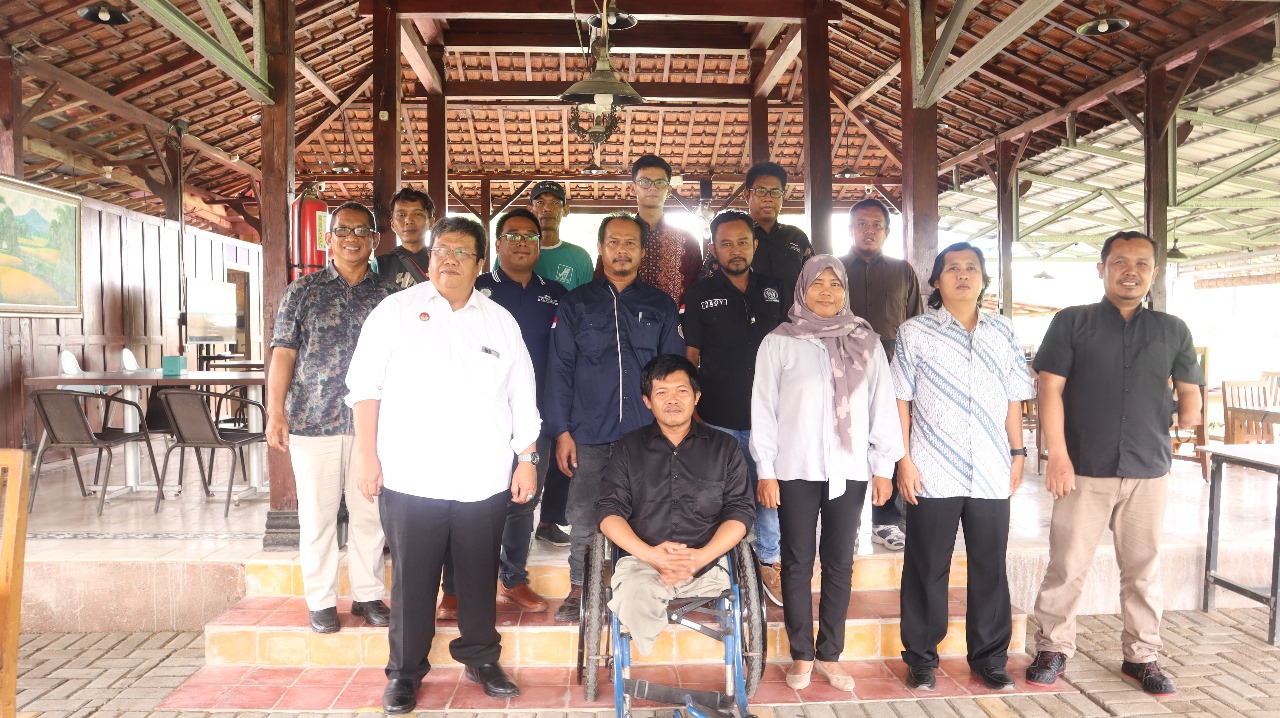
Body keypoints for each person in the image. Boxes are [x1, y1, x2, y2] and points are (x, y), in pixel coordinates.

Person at [346, 216, 540, 713]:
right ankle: (405, 672)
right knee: (412, 580)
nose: (447, 258)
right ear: (429, 258)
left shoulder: (500, 321)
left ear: (480, 263)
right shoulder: (395, 311)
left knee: (477, 575)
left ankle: (480, 657)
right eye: (440, 250)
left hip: (483, 477)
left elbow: (523, 397)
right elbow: (365, 388)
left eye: (460, 252)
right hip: (412, 476)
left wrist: (526, 459)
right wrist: (366, 456)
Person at [1026, 231, 1203, 697]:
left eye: (1142, 263)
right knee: (1068, 563)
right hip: (1084, 466)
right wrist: (1058, 457)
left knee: (1143, 568)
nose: (1131, 271)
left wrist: (1187, 409)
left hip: (1148, 468)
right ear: (1101, 268)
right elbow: (1050, 390)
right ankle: (1054, 647)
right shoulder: (1072, 322)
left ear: (1154, 273)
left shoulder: (1172, 329)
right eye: (1120, 261)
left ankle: (1141, 656)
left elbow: (1190, 391)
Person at [750, 256, 903, 693]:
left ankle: (830, 653)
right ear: (802, 288)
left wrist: (883, 468)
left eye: (835, 284)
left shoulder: (865, 342)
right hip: (794, 469)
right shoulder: (778, 342)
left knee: (839, 562)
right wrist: (766, 470)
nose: (826, 292)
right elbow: (763, 410)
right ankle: (802, 654)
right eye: (817, 283)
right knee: (797, 562)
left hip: (850, 469)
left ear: (845, 291)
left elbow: (882, 407)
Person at [890, 242, 1036, 692]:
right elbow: (900, 399)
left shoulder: (1004, 332)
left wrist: (1018, 453)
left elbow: (1014, 398)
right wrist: (903, 461)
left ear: (984, 279)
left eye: (971, 268)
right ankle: (921, 658)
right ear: (936, 280)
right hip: (932, 467)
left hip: (992, 467)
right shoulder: (914, 332)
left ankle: (989, 658)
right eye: (952, 268)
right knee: (925, 565)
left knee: (989, 565)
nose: (962, 275)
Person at [545, 213, 684, 623]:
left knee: (650, 512)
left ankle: (640, 588)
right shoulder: (575, 304)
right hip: (588, 432)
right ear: (600, 249)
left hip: (646, 434)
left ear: (642, 251)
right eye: (613, 243)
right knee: (585, 513)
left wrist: (672, 427)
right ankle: (579, 590)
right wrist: (562, 431)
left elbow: (672, 372)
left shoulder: (659, 304)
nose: (621, 251)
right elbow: (560, 368)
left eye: (630, 243)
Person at [266, 201, 393, 635]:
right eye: (343, 230)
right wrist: (275, 410)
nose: (352, 238)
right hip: (311, 420)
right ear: (329, 239)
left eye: (362, 231)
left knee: (369, 515)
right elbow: (283, 352)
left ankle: (367, 596)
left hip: (372, 426)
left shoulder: (390, 296)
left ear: (376, 240)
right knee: (317, 517)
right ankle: (320, 602)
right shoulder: (302, 292)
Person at [435, 208, 568, 620]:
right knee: (465, 499)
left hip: (534, 417)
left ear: (540, 242)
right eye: (512, 235)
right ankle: (454, 588)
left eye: (530, 235)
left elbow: (564, 360)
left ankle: (512, 578)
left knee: (522, 501)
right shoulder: (475, 288)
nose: (522, 242)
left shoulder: (557, 294)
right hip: (479, 420)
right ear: (495, 245)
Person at [596, 354, 755, 655]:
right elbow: (608, 511)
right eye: (661, 392)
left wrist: (699, 557)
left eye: (681, 391)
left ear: (696, 396)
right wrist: (652, 556)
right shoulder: (628, 449)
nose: (672, 400)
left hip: (707, 566)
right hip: (644, 563)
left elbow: (740, 511)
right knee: (632, 598)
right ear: (647, 401)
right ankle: (645, 662)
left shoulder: (725, 448)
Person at [679, 210, 786, 606]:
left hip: (769, 418)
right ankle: (716, 571)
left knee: (768, 492)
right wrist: (693, 412)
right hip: (717, 417)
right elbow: (691, 355)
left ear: (755, 245)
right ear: (714, 247)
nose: (735, 250)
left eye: (743, 242)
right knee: (715, 496)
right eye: (725, 243)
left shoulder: (776, 289)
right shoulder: (700, 293)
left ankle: (769, 562)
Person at [840, 197, 923, 553]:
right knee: (844, 441)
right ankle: (844, 523)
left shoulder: (903, 271)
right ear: (850, 228)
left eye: (876, 225)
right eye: (862, 223)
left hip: (891, 365)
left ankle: (886, 521)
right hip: (841, 365)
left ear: (887, 232)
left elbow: (914, 324)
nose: (869, 230)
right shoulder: (834, 269)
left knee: (888, 438)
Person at [514, 180, 594, 548]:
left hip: (563, 363)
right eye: (539, 201)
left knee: (562, 438)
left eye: (554, 202)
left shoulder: (578, 257)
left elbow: (586, 306)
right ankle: (512, 525)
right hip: (519, 369)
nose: (546, 207)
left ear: (566, 208)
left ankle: (550, 519)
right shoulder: (516, 249)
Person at [705, 161, 812, 312]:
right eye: (761, 191)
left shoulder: (796, 237)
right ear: (747, 194)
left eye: (775, 192)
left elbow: (815, 281)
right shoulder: (731, 235)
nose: (768, 198)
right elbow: (708, 283)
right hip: (742, 324)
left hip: (792, 326)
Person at [628, 154, 703, 304]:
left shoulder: (687, 240)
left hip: (674, 325)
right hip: (622, 324)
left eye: (660, 182)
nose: (652, 188)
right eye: (645, 181)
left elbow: (698, 291)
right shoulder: (618, 237)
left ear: (668, 190)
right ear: (633, 188)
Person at [375, 187, 435, 290]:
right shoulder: (380, 264)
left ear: (431, 223)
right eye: (401, 214)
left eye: (417, 214)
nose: (408, 220)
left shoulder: (441, 260)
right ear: (392, 224)